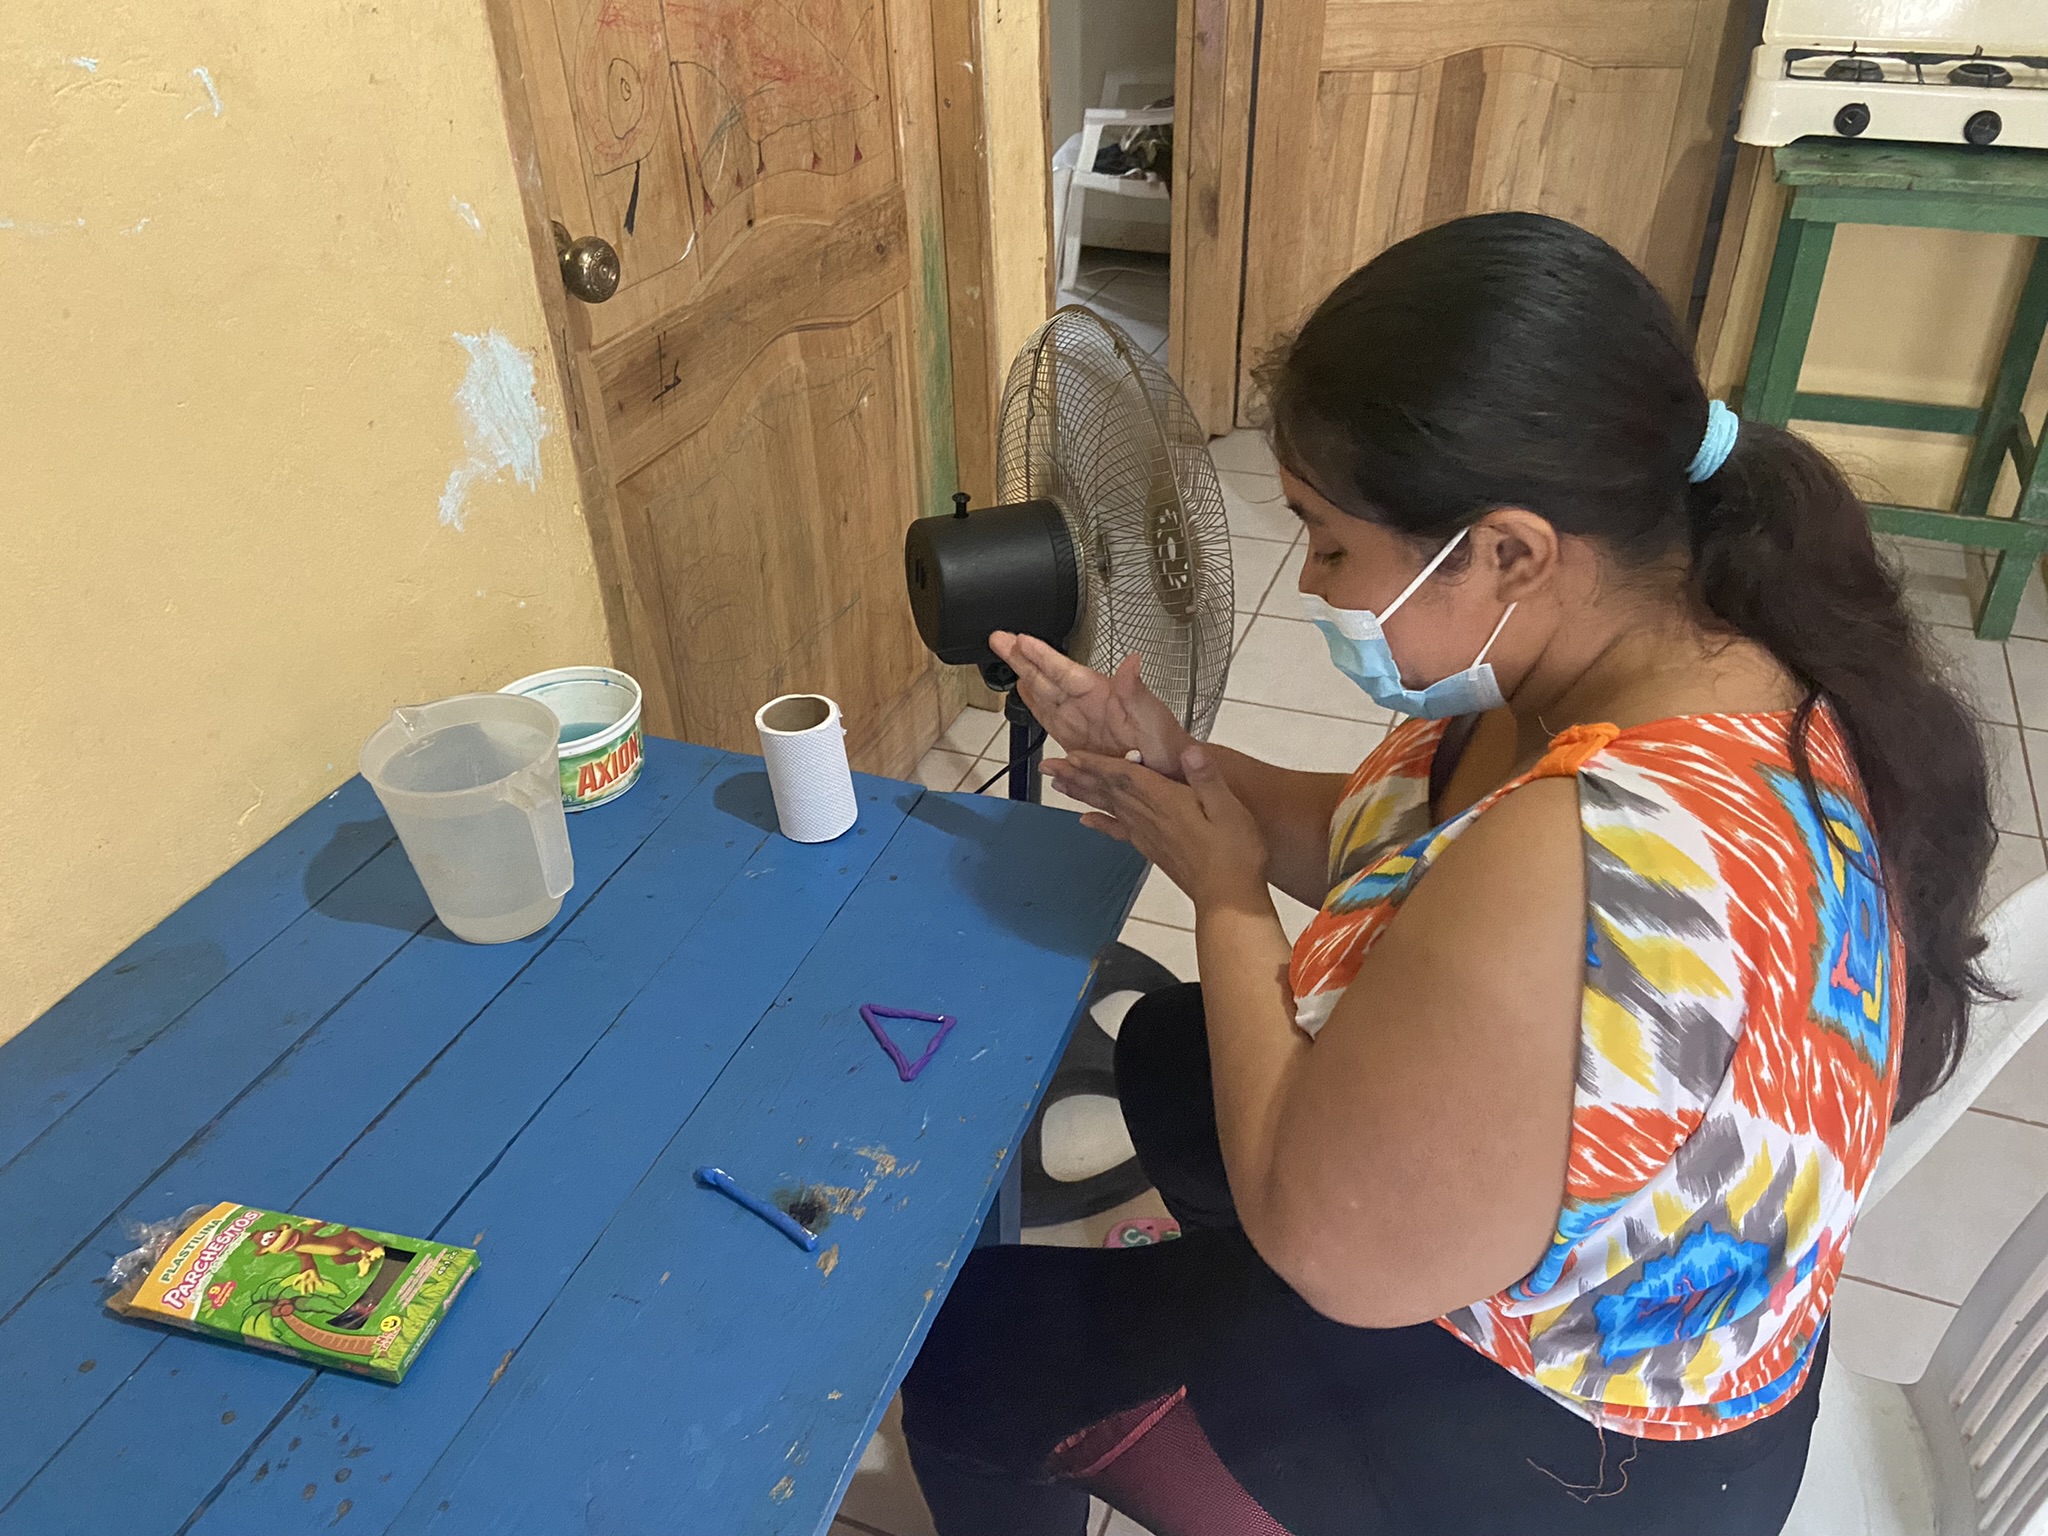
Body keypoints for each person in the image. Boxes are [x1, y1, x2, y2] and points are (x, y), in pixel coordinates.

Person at [897, 212, 2002, 1535]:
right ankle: (1213, 1328)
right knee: (1174, 1056)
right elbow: (1381, 841)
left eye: (1327, 538)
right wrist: (1180, 763)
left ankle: (1206, 1408)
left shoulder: (1583, 849)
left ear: (1510, 549)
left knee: (966, 1352)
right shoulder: (1691, 652)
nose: (1312, 582)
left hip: (1582, 1463)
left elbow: (1329, 1250)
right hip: (1611, 1289)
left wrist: (1227, 896)